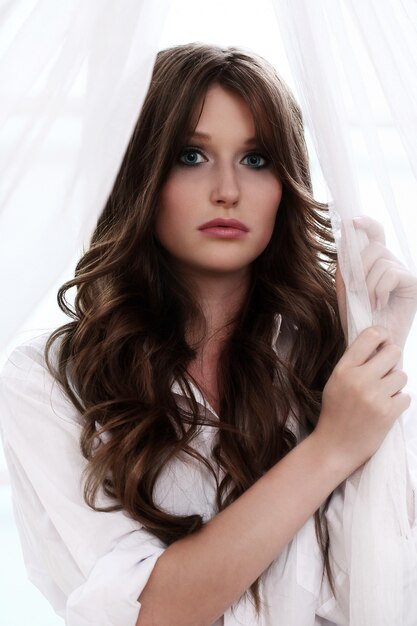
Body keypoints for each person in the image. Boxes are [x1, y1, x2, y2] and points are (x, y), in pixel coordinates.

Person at [1, 42, 417, 626]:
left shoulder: (323, 360)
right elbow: (149, 613)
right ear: (141, 172)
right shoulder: (49, 381)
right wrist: (331, 447)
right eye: (192, 156)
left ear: (286, 184)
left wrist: (377, 356)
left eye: (256, 160)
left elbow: (384, 590)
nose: (228, 190)